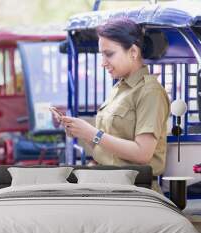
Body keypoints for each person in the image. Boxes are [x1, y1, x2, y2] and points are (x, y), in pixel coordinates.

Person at [58, 18, 170, 193]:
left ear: (133, 51)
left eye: (108, 54)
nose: (103, 62)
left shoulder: (150, 92)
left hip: (134, 191)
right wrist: (81, 132)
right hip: (106, 184)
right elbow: (108, 147)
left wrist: (92, 133)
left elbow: (142, 153)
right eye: (101, 54)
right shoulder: (119, 88)